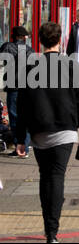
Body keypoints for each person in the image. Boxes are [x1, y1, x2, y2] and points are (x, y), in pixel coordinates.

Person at [14, 21, 79, 243]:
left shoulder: (29, 67)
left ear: (40, 41)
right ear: (61, 40)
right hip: (65, 130)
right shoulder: (72, 66)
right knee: (56, 177)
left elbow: (22, 105)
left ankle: (48, 225)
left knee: (45, 177)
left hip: (40, 131)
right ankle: (52, 232)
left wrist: (21, 138)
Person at [1, 25, 31, 157]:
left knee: (14, 118)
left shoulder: (7, 46)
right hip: (27, 87)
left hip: (13, 87)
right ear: (23, 37)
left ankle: (19, 147)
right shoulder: (29, 50)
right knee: (26, 116)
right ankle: (26, 146)